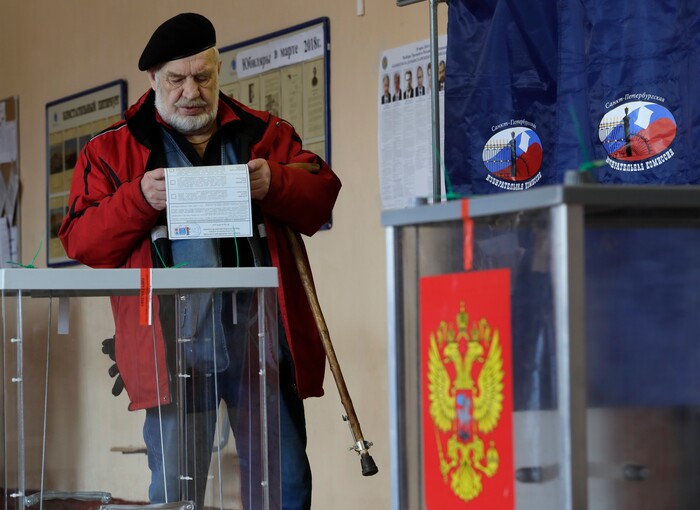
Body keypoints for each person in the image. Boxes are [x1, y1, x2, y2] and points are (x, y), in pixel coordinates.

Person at [58, 12, 341, 510]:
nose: (191, 91)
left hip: (261, 344)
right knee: (175, 493)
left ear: (218, 70)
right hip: (172, 350)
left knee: (286, 487)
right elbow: (80, 240)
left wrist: (276, 182)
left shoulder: (264, 133)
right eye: (177, 79)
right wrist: (138, 200)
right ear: (153, 78)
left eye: (203, 77)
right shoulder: (111, 150)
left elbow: (321, 195)